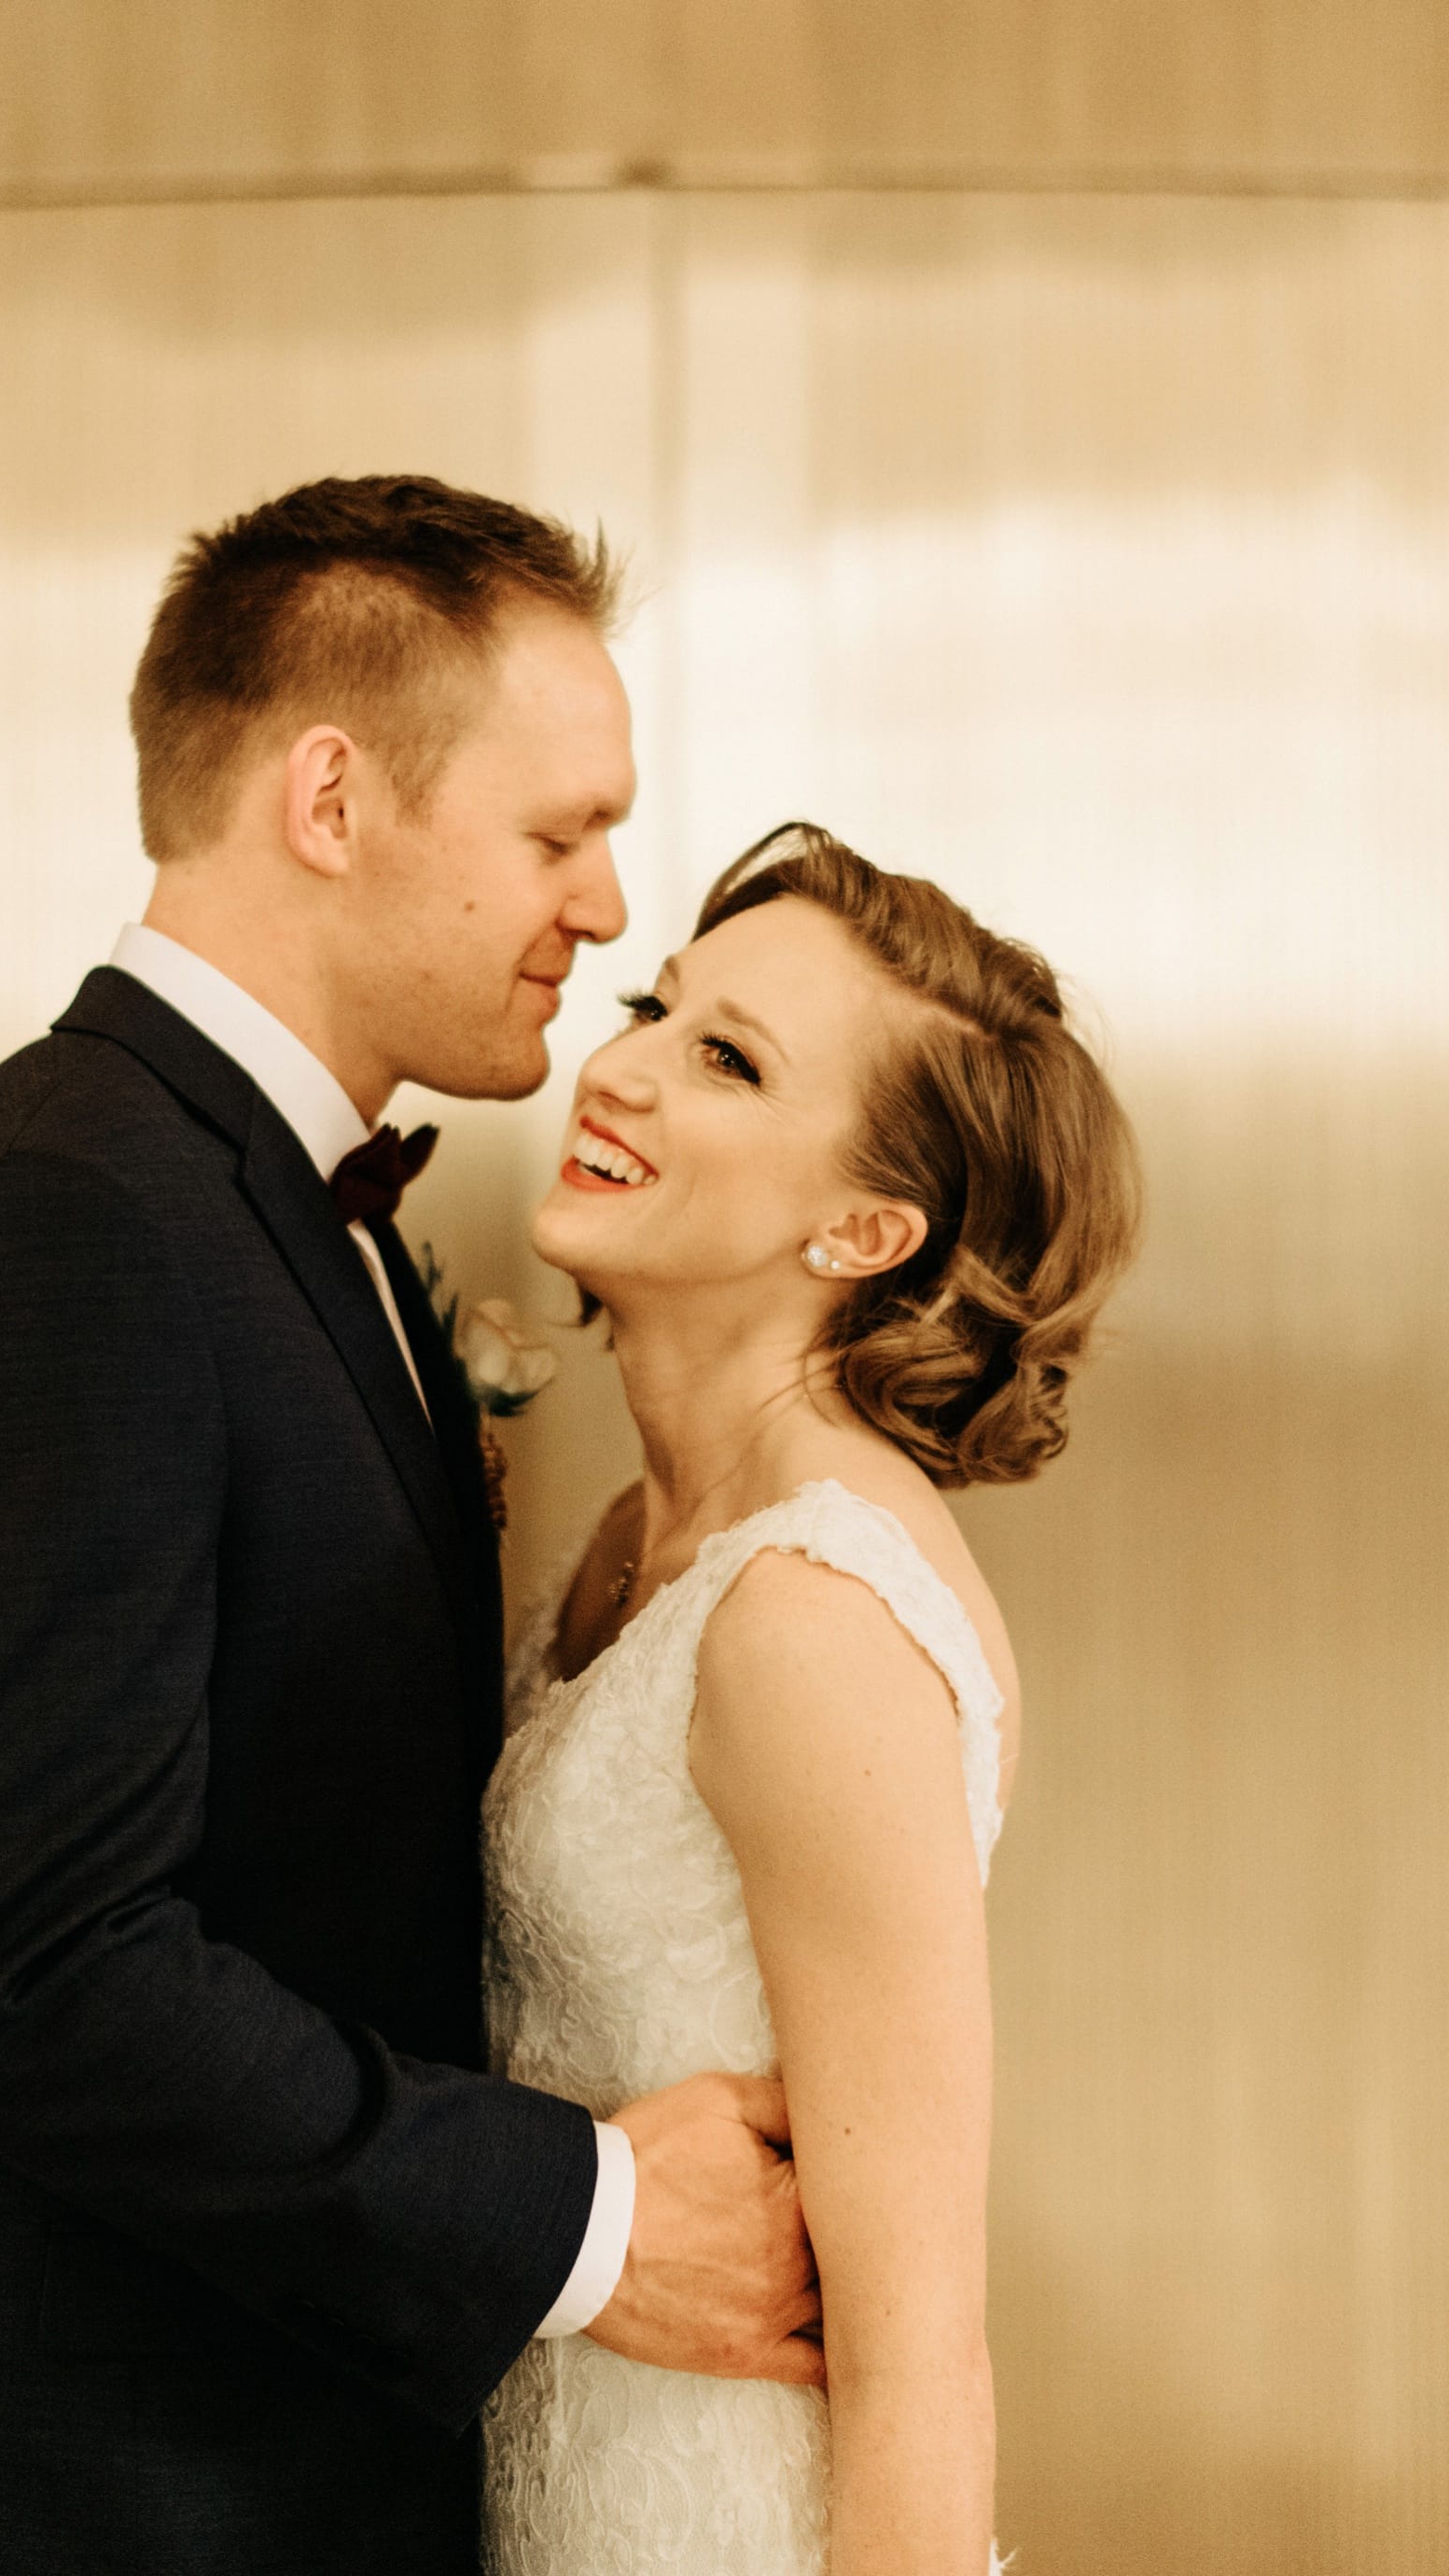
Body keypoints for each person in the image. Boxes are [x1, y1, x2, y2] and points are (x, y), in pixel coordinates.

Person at [0, 480, 821, 2576]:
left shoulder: (264, 1211)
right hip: (58, 2500)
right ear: (328, 796)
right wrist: (586, 2217)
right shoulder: (59, 1221)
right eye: (554, 830)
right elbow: (39, 1970)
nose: (604, 908)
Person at [482, 822, 1141, 2574]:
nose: (616, 1070)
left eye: (725, 1061)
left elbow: (923, 2344)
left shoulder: (809, 1618)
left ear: (865, 1225)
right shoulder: (640, 1533)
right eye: (658, 1006)